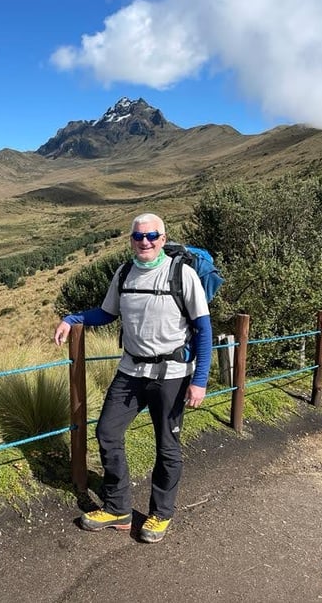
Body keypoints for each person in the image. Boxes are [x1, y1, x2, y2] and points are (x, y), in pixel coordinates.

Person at [53, 213, 212, 543]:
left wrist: (200, 379)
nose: (145, 242)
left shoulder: (182, 274)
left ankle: (160, 513)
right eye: (139, 237)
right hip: (131, 371)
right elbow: (106, 313)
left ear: (163, 239)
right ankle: (117, 508)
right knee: (108, 432)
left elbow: (204, 328)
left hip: (173, 375)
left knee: (167, 446)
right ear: (131, 240)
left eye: (152, 236)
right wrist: (72, 318)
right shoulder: (124, 272)